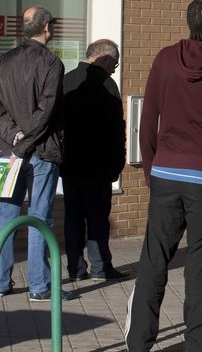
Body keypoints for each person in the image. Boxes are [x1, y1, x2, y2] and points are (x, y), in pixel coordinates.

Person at [125, 0, 202, 352]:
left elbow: (147, 121)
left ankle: (138, 344)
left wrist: (151, 171)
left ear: (189, 22)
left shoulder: (165, 59)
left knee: (153, 263)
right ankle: (196, 346)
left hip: (164, 174)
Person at [0, 6, 67, 302]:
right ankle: (39, 286)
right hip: (40, 151)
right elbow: (47, 113)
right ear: (47, 27)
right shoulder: (51, 63)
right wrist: (24, 142)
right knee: (39, 218)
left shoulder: (4, 61)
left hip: (8, 151)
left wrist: (13, 137)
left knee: (5, 216)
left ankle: (2, 282)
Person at [61, 39, 128, 282]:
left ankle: (75, 268)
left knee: (73, 219)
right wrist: (117, 164)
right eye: (115, 64)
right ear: (105, 58)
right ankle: (101, 267)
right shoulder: (107, 84)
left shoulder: (67, 81)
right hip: (98, 166)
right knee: (98, 218)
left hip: (70, 164)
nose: (114, 69)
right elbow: (115, 129)